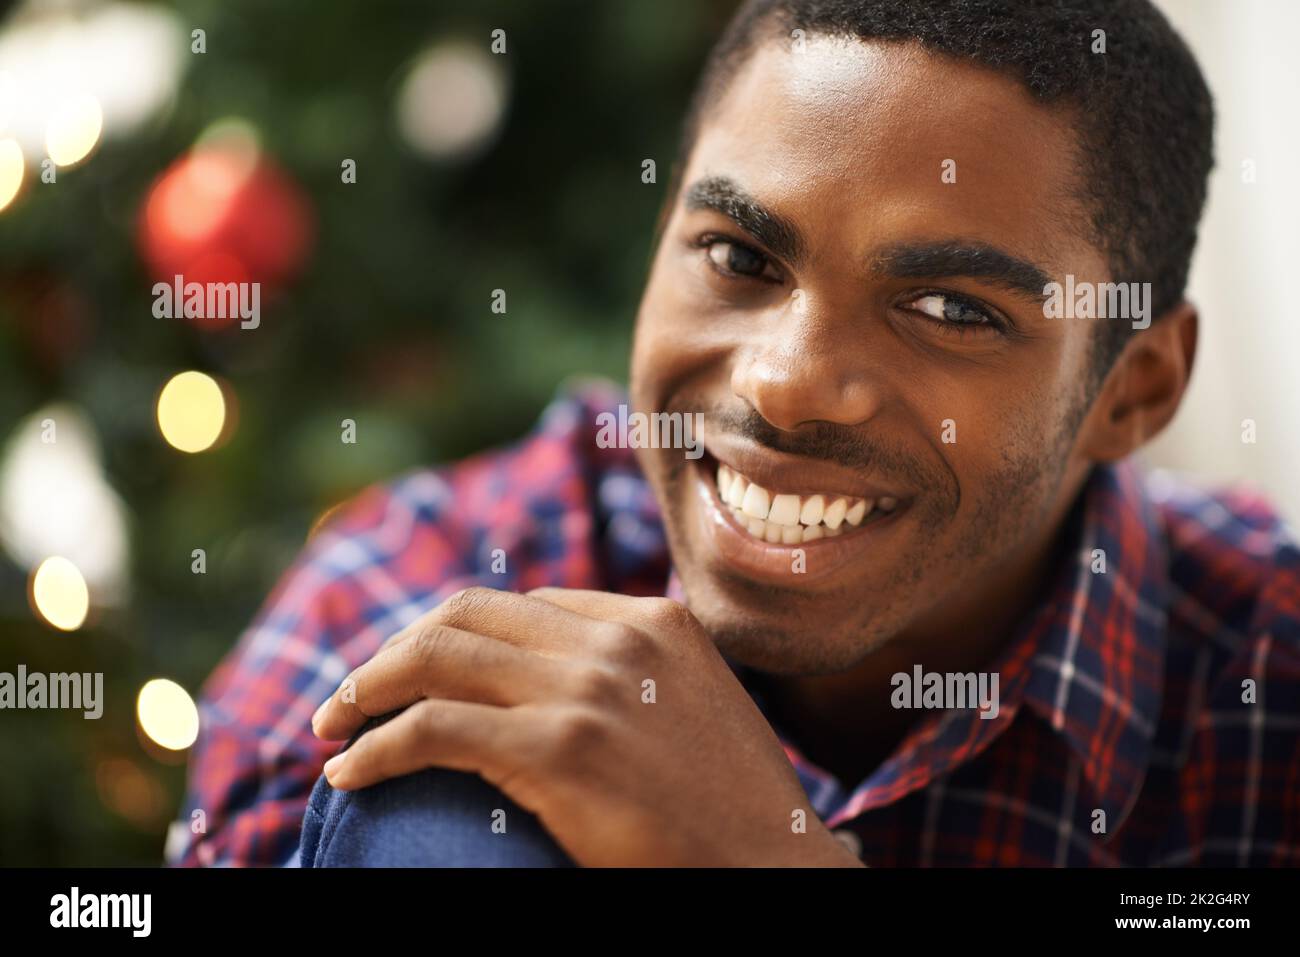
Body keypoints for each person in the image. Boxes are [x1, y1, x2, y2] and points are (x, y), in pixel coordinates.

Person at [174, 0, 1300, 867]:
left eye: (953, 310)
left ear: (1133, 392)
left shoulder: (1265, 684)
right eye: (739, 258)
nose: (787, 386)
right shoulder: (401, 595)